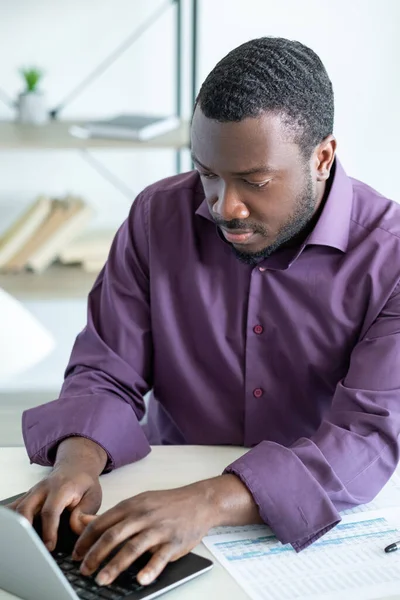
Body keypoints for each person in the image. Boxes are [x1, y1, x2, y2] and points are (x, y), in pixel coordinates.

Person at [12, 36, 400, 587]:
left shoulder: (392, 257)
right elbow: (105, 368)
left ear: (322, 156)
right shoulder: (155, 217)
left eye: (254, 182)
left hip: (309, 528)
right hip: (156, 496)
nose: (223, 205)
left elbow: (366, 437)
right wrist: (77, 463)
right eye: (207, 173)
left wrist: (207, 502)